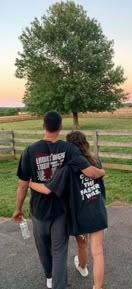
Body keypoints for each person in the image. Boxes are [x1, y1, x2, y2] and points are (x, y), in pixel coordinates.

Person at [12, 111, 105, 289]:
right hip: (61, 209)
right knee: (60, 249)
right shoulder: (69, 149)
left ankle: (49, 276)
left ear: (43, 126)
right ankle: (58, 284)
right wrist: (102, 172)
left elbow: (22, 184)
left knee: (42, 246)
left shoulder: (30, 151)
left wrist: (18, 209)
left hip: (38, 210)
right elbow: (89, 171)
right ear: (61, 127)